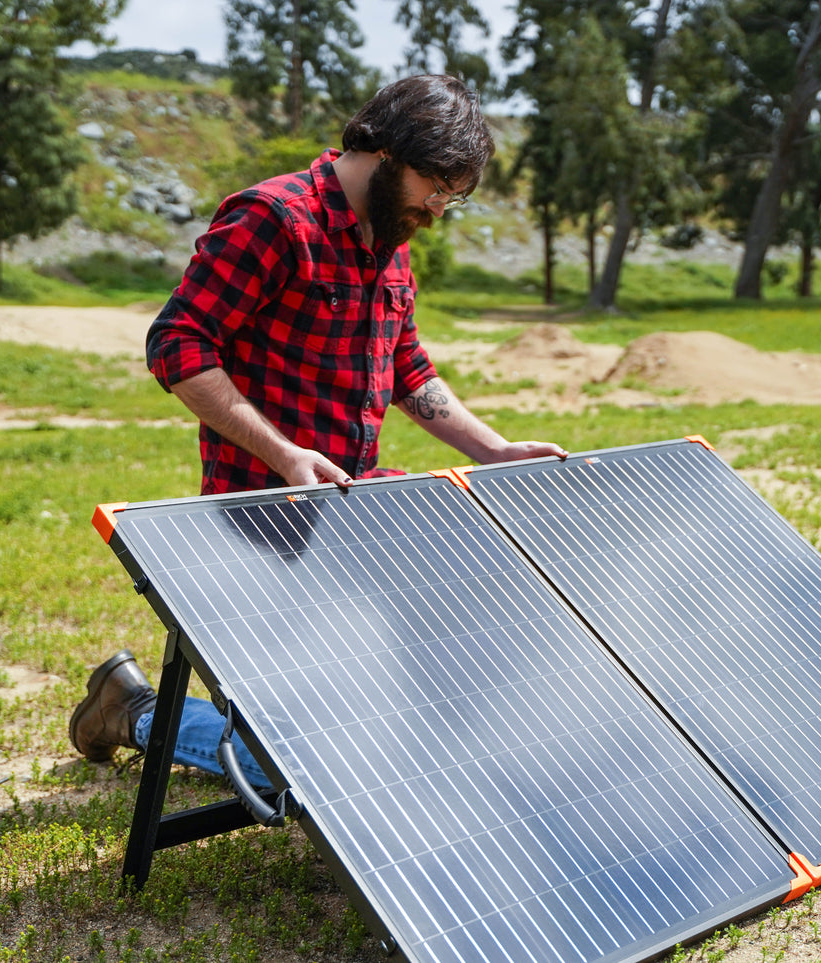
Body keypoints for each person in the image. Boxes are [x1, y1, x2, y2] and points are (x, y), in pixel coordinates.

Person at [68, 75, 565, 786]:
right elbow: (177, 343)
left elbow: (406, 367)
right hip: (264, 525)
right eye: (434, 184)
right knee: (296, 764)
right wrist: (282, 452)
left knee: (447, 666)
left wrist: (493, 449)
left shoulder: (388, 240)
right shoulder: (273, 218)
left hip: (354, 512)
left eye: (451, 197)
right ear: (386, 149)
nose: (436, 206)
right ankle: (134, 712)